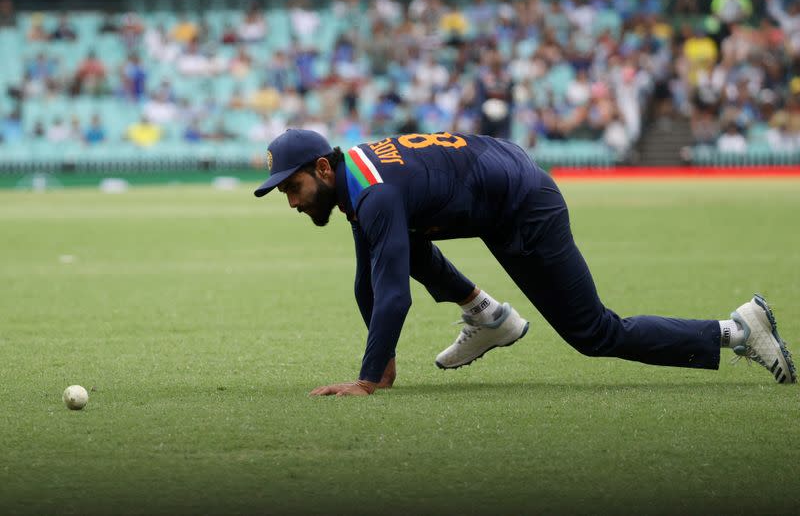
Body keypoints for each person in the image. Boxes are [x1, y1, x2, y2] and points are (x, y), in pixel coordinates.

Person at [253, 129, 797, 396]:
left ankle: (738, 331)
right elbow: (366, 283)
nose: (292, 201)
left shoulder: (373, 195)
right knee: (398, 246)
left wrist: (368, 379)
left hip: (521, 205)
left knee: (594, 333)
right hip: (497, 174)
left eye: (294, 187)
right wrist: (384, 364)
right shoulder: (357, 180)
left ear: (323, 168)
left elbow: (393, 293)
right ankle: (489, 316)